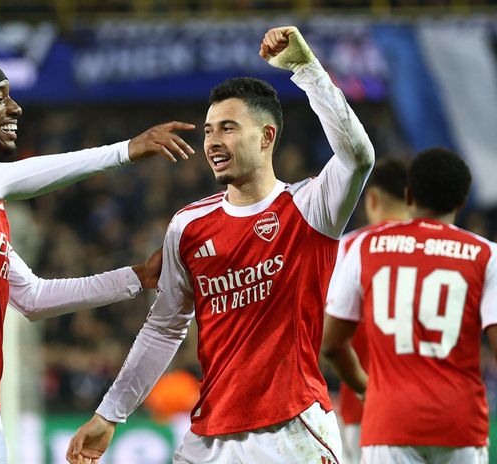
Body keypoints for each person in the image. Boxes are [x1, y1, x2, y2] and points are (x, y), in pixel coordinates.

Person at [67, 26, 374, 464]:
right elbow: (164, 327)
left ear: (267, 137)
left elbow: (358, 157)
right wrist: (110, 414)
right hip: (209, 437)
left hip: (292, 431)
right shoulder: (188, 226)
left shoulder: (310, 207)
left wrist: (307, 70)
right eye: (209, 130)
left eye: (228, 128)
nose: (212, 141)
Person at [0, 56, 195, 463]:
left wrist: (136, 277)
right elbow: (14, 180)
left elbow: (33, 297)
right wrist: (124, 151)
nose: (15, 108)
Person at [322, 148, 497, 464]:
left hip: (389, 424)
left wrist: (367, 388)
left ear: (409, 195)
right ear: (462, 201)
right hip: (459, 425)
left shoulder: (366, 246)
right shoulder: (486, 255)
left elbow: (333, 344)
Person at [325, 158, 409, 464]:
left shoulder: (350, 247)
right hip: (436, 408)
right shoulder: (443, 246)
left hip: (366, 409)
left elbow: (328, 336)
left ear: (371, 199)